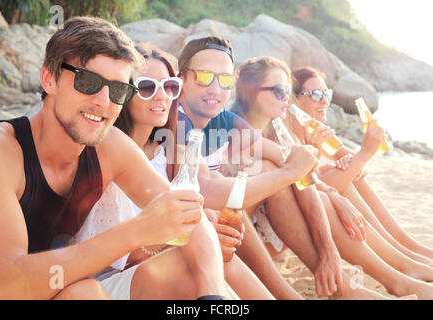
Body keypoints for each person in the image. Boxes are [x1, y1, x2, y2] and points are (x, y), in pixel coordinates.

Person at [0, 17, 231, 300]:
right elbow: (1, 286)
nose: (104, 102)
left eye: (118, 90)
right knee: (84, 293)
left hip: (64, 286)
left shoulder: (109, 145)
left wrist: (213, 297)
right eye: (88, 82)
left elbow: (191, 218)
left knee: (189, 270)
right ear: (49, 79)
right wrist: (135, 232)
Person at [176, 36, 401, 299]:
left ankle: (351, 284)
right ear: (181, 79)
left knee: (274, 169)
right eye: (203, 77)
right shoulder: (176, 121)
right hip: (187, 234)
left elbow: (294, 163)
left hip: (223, 227)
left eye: (224, 80)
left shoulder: (226, 120)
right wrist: (357, 157)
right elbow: (208, 189)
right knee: (265, 171)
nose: (215, 88)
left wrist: (330, 241)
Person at [72, 42, 275, 300]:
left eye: (169, 87)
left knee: (218, 257)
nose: (162, 96)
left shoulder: (167, 152)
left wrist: (208, 232)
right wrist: (181, 239)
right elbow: (111, 257)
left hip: (152, 274)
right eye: (147, 87)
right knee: (188, 262)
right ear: (123, 91)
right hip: (100, 281)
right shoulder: (103, 150)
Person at [232, 55, 433, 299]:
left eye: (326, 94)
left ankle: (404, 259)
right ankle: (393, 272)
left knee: (331, 186)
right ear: (248, 91)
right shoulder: (244, 131)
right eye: (278, 91)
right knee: (298, 182)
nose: (323, 101)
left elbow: (337, 168)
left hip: (277, 226)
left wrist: (338, 172)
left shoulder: (277, 126)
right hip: (250, 240)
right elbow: (299, 174)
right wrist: (357, 160)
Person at [290, 66, 433, 266]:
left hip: (316, 197)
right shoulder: (287, 135)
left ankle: (406, 246)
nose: (324, 100)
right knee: (343, 176)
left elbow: (360, 169)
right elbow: (304, 186)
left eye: (326, 93)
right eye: (315, 94)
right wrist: (362, 155)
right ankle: (400, 252)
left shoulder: (316, 130)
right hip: (296, 210)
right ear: (293, 100)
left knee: (347, 174)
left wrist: (354, 161)